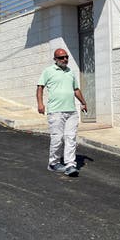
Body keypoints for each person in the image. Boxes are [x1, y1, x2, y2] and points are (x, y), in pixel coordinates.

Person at [36, 48, 88, 176]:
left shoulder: (70, 72)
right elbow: (40, 87)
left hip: (71, 111)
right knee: (57, 138)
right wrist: (40, 104)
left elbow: (76, 89)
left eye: (66, 57)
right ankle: (53, 163)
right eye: (61, 57)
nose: (64, 59)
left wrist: (83, 102)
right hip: (55, 111)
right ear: (55, 59)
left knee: (70, 138)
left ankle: (70, 165)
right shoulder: (48, 71)